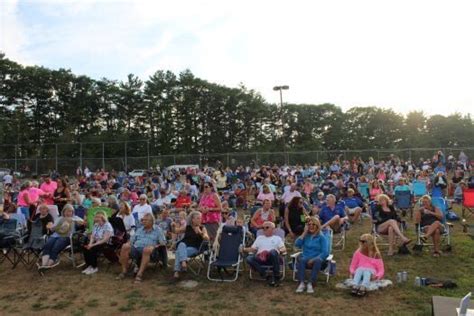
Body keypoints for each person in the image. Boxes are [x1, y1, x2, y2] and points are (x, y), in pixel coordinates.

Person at [117, 213, 166, 283]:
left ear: (151, 221)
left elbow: (163, 243)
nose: (143, 221)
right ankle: (124, 271)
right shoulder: (140, 229)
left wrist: (154, 246)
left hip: (151, 251)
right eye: (143, 220)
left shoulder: (158, 230)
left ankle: (139, 274)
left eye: (146, 220)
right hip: (136, 249)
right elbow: (132, 240)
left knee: (146, 249)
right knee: (125, 246)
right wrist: (128, 243)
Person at [39, 204, 84, 270]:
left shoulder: (75, 218)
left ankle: (48, 265)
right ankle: (44, 264)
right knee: (47, 245)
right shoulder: (59, 218)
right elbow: (53, 228)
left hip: (67, 237)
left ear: (72, 212)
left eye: (70, 211)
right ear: (63, 211)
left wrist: (78, 222)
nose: (68, 213)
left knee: (55, 247)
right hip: (56, 235)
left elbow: (83, 223)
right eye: (66, 211)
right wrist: (50, 226)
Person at [243, 221, 286, 287]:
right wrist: (244, 249)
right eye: (263, 228)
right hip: (260, 258)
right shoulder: (259, 238)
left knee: (273, 252)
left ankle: (276, 277)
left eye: (267, 227)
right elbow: (253, 249)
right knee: (249, 258)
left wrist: (278, 251)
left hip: (272, 258)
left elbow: (284, 249)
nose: (264, 229)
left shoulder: (277, 238)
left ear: (273, 229)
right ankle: (266, 275)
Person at [294, 217, 329, 294]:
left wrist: (314, 259)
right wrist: (304, 233)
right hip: (306, 258)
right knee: (302, 259)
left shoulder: (321, 237)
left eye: (313, 224)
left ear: (317, 226)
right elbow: (297, 245)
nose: (311, 226)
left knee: (317, 260)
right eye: (309, 224)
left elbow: (325, 252)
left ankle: (311, 283)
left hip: (317, 259)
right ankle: (301, 283)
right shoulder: (306, 236)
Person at [173, 211, 209, 279]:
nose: (200, 220)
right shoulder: (187, 227)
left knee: (178, 252)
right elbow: (176, 231)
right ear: (192, 219)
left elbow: (207, 238)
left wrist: (200, 232)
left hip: (195, 248)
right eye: (198, 218)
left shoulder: (202, 228)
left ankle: (176, 271)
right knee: (181, 244)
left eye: (200, 218)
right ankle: (183, 262)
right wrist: (173, 226)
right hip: (185, 247)